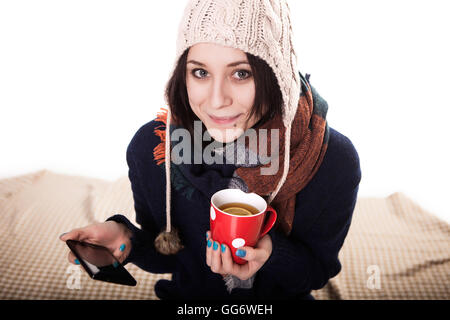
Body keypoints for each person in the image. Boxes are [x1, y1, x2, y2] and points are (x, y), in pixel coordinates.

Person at [60, 0, 361, 300]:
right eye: (200, 73)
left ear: (277, 75)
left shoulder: (330, 159)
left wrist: (271, 254)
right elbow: (169, 256)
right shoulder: (155, 150)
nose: (217, 100)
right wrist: (125, 239)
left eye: (241, 73)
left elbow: (317, 271)